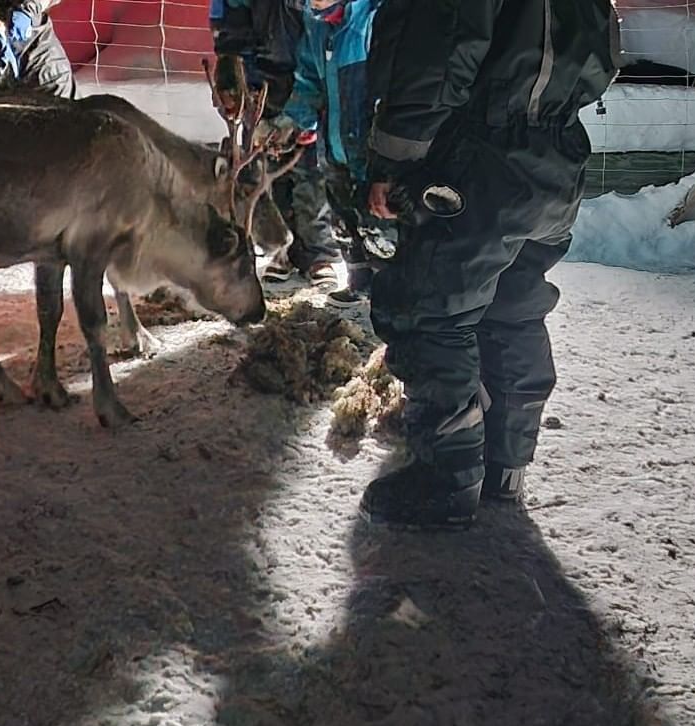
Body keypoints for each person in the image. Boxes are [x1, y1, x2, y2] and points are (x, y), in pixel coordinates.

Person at [360, 0, 621, 528]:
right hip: (556, 153)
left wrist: (395, 158)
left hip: (478, 151)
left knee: (432, 311)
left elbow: (440, 43)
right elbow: (606, 49)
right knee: (516, 307)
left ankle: (446, 481)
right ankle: (506, 465)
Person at [259, 0, 397, 308]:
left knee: (380, 228)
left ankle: (390, 295)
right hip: (335, 148)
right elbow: (309, 81)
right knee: (344, 221)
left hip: (371, 151)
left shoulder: (375, 17)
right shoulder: (317, 24)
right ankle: (359, 282)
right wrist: (290, 122)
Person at [210, 0, 342, 291]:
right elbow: (229, 15)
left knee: (312, 170)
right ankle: (283, 249)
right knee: (269, 168)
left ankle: (320, 253)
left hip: (309, 72)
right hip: (259, 80)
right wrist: (229, 62)